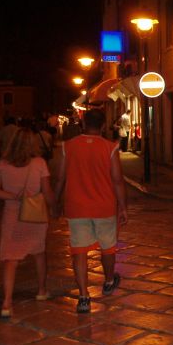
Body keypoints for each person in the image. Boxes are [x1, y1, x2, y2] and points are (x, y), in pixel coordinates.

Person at [54, 109, 128, 313]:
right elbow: (117, 180)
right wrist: (123, 207)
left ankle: (84, 297)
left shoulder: (68, 146)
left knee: (79, 252)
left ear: (83, 124)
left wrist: (56, 201)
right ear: (103, 126)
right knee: (108, 248)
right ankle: (109, 281)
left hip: (76, 207)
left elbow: (60, 178)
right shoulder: (110, 147)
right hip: (104, 207)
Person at [0, 128, 55, 317]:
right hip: (35, 214)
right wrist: (54, 207)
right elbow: (47, 191)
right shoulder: (39, 163)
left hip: (12, 214)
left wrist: (12, 196)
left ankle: (7, 302)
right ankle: (41, 290)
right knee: (39, 252)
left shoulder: (3, 164)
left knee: (10, 258)